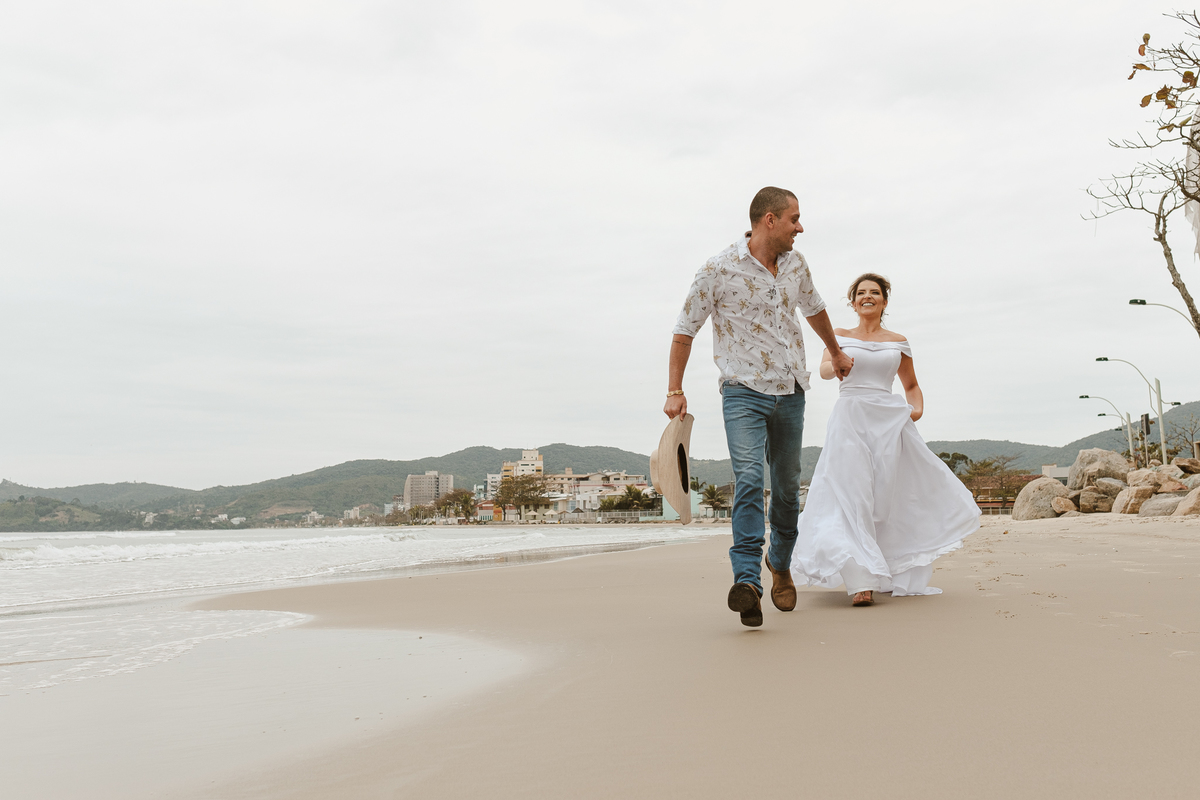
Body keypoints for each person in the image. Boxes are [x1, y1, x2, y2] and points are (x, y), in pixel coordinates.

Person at [665, 186, 853, 628]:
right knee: (749, 478)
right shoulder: (716, 269)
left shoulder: (796, 264)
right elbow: (683, 330)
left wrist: (837, 352)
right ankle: (747, 580)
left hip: (790, 390)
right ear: (769, 220)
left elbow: (815, 308)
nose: (800, 227)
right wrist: (674, 389)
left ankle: (780, 563)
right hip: (742, 391)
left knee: (787, 489)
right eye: (794, 219)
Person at [789, 274, 980, 605]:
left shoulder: (898, 340)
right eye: (860, 293)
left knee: (884, 498)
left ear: (884, 301)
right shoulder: (838, 336)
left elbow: (911, 386)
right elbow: (821, 370)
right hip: (850, 418)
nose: (867, 297)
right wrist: (835, 363)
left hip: (889, 422)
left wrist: (914, 412)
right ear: (852, 302)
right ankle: (861, 581)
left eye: (874, 293)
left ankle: (884, 566)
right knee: (852, 493)